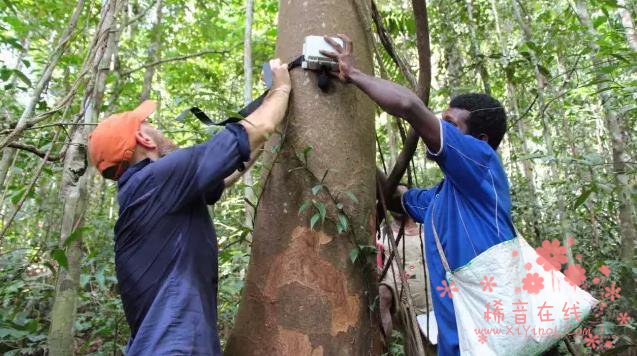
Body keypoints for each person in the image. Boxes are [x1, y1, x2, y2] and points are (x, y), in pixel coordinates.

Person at [322, 35, 514, 355]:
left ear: (481, 140)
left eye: (451, 124)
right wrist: (349, 153)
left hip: (494, 339)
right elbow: (396, 197)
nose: (440, 127)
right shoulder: (443, 198)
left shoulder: (483, 166)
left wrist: (353, 75)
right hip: (458, 345)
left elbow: (411, 107)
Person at [87, 59, 291, 355]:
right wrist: (282, 88)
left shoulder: (148, 193)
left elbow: (229, 170)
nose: (159, 131)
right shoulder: (158, 178)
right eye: (150, 126)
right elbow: (259, 128)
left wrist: (261, 132)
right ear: (144, 139)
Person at [377, 213, 437, 355]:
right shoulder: (383, 233)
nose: (399, 206)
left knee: (435, 345)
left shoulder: (429, 228)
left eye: (401, 199)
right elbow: (379, 263)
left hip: (431, 298)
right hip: (402, 300)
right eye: (394, 200)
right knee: (414, 345)